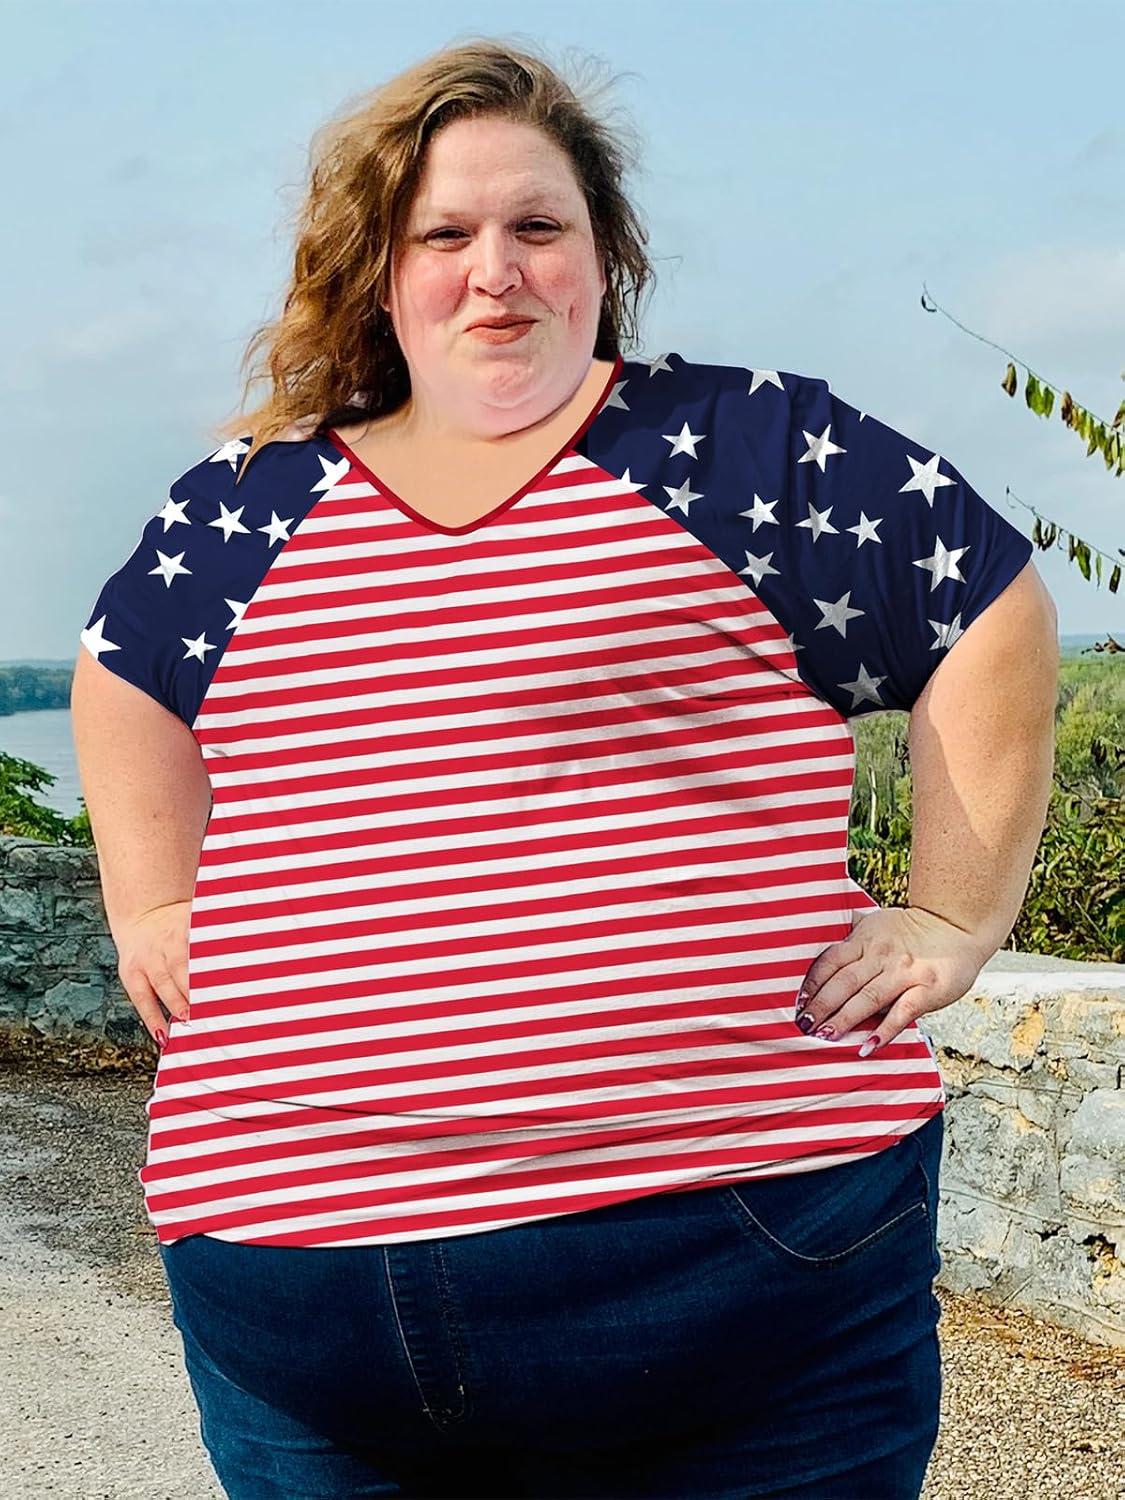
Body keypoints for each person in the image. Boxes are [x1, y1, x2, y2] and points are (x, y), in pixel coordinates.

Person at [70, 35, 1059, 1500]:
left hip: (734, 1250)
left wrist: (954, 911)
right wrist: (154, 902)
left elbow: (985, 602)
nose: (497, 273)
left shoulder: (740, 450)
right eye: (443, 236)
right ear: (377, 269)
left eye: (539, 226)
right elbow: (119, 673)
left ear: (605, 254)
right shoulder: (250, 504)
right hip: (309, 1281)